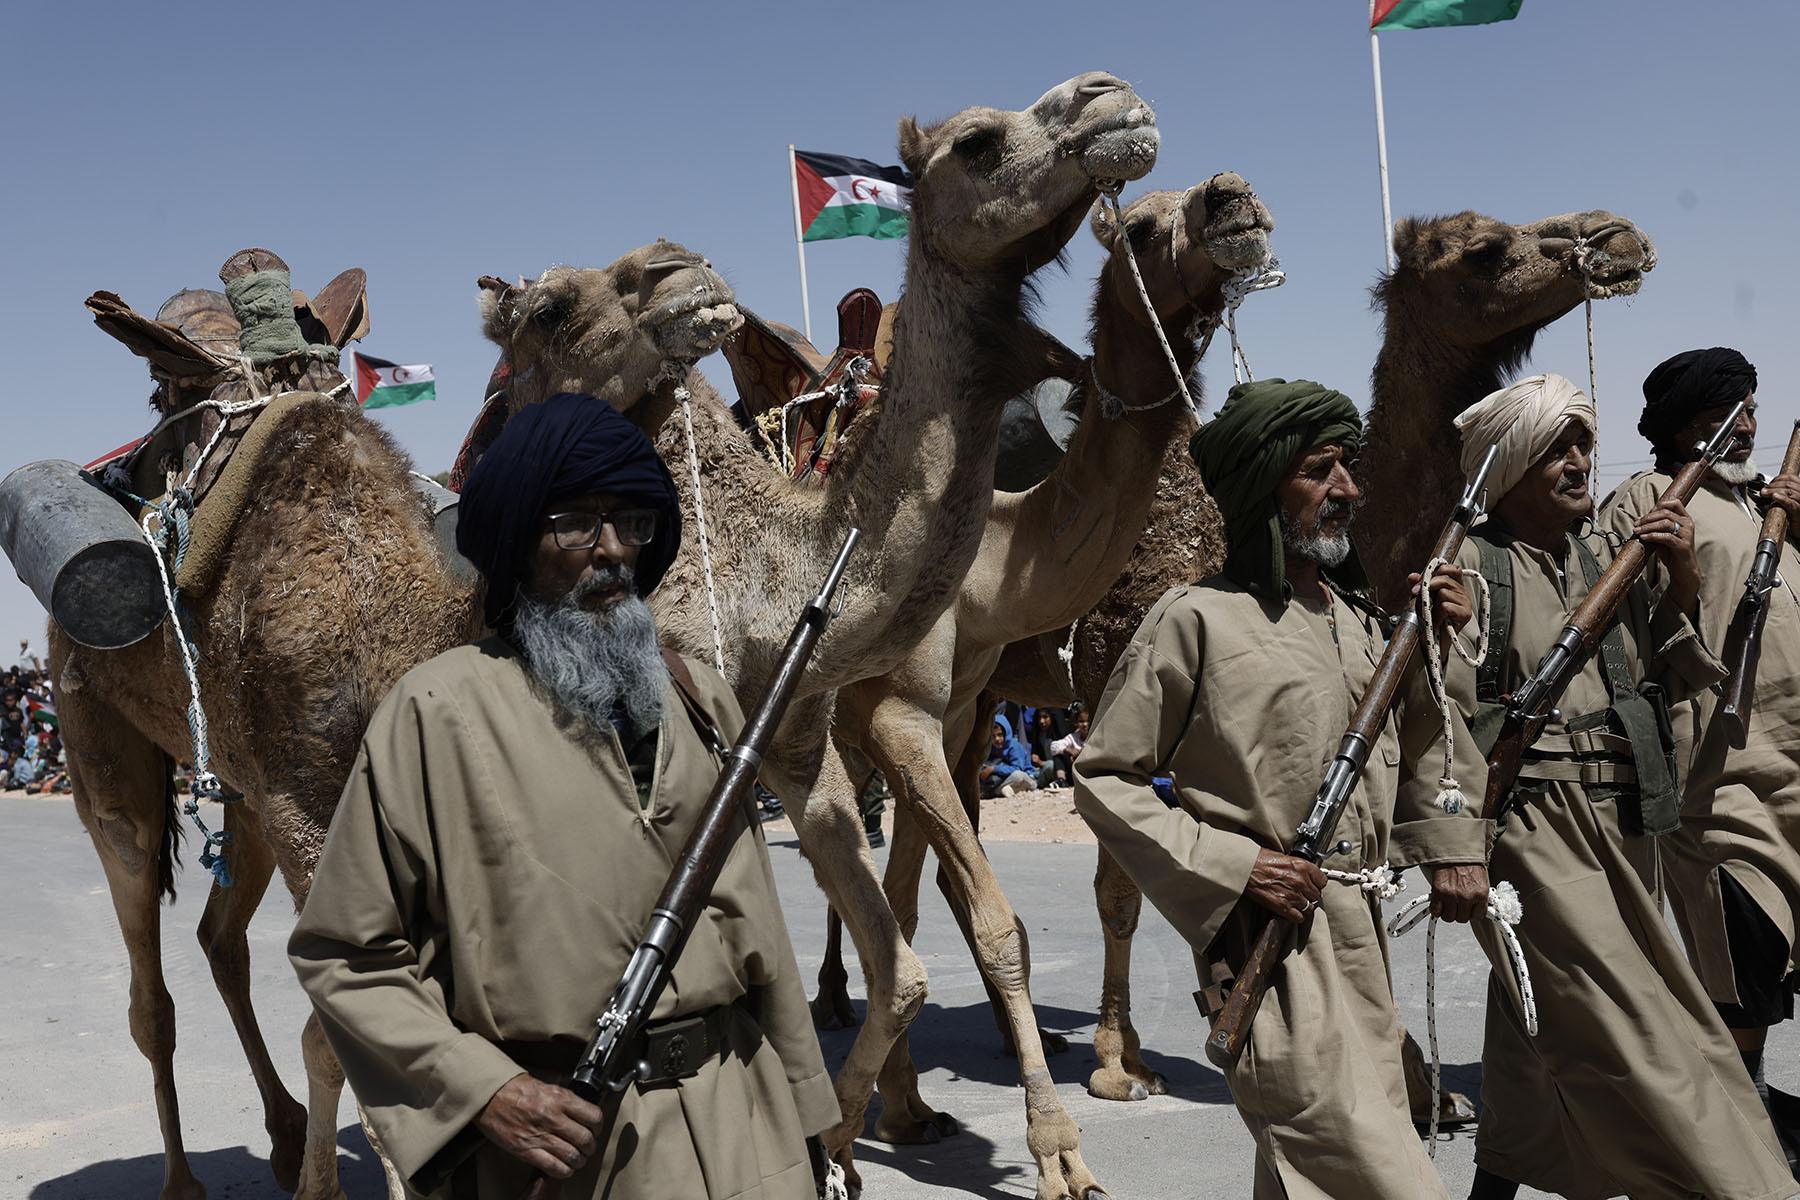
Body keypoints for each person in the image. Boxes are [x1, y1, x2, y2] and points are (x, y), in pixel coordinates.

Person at [289, 394, 838, 1199]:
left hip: (746, 1128)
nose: (610, 549)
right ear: (517, 539)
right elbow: (345, 952)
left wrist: (810, 1119)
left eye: (631, 521)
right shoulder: (435, 713)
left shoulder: (698, 697)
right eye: (575, 522)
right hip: (566, 1151)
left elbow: (763, 937)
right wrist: (485, 1091)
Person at [1074, 378, 1489, 1199]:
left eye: (1348, 468)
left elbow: (1426, 749)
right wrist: (1237, 866)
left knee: (1313, 1170)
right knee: (1373, 1172)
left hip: (1360, 938)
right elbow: (1103, 779)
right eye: (1319, 471)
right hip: (1264, 943)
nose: (1348, 491)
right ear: (1264, 486)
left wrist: (1442, 646)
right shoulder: (1193, 619)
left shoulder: (1365, 620)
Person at [1427, 373, 1795, 1200]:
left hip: (1625, 824)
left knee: (1533, 1026)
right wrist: (1458, 852)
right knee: (1652, 1030)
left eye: (1583, 444)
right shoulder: (1471, 573)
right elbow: (1437, 726)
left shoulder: (1603, 555)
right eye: (1555, 448)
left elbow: (1667, 675)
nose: (1578, 461)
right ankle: (1739, 1183)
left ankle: (1499, 1181)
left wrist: (1682, 578)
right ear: (1510, 465)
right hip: (1532, 832)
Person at [1598, 346, 1800, 1163]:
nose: (1746, 422)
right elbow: (1630, 629)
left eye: (1751, 407)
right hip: (1719, 767)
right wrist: (1678, 572)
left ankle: (1744, 1102)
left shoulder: (1765, 502)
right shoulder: (1648, 497)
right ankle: (1736, 1118)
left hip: (1792, 762)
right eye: (1728, 409)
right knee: (1741, 938)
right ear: (1687, 423)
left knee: (1783, 946)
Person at [979, 718, 1037, 797]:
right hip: (1005, 780)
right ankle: (1005, 789)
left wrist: (993, 769)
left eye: (1000, 735)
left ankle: (994, 792)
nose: (997, 739)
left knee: (1018, 775)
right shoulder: (992, 748)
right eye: (993, 736)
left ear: (1006, 733)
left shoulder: (1014, 746)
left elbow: (1017, 768)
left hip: (1026, 778)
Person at [1027, 707, 1072, 789]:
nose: (1041, 721)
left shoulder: (1064, 737)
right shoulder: (1039, 735)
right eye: (1039, 717)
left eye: (1045, 717)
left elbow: (1063, 761)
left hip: (1060, 770)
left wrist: (1041, 762)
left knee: (1050, 765)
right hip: (1043, 771)